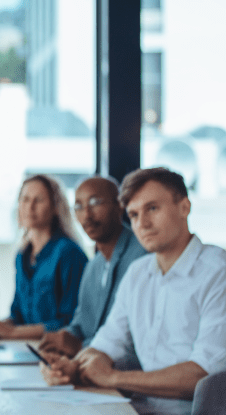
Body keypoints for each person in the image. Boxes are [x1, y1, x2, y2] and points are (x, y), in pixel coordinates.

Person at [42, 167, 226, 400]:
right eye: (134, 215)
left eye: (152, 208)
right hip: (142, 406)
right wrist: (73, 367)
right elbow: (107, 343)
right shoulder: (137, 273)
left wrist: (113, 378)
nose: (143, 223)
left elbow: (204, 375)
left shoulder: (218, 272)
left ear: (184, 207)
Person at [38, 176, 147, 358]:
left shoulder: (143, 257)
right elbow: (80, 324)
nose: (87, 215)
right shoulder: (93, 266)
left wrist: (80, 346)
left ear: (120, 205)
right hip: (89, 364)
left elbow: (133, 337)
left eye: (95, 203)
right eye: (79, 206)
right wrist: (65, 337)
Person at [0, 174, 88, 340]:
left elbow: (71, 323)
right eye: (25, 199)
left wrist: (10, 333)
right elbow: (17, 316)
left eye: (38, 200)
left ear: (56, 207)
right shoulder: (22, 255)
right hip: (25, 348)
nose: (30, 207)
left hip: (56, 351)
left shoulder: (69, 253)